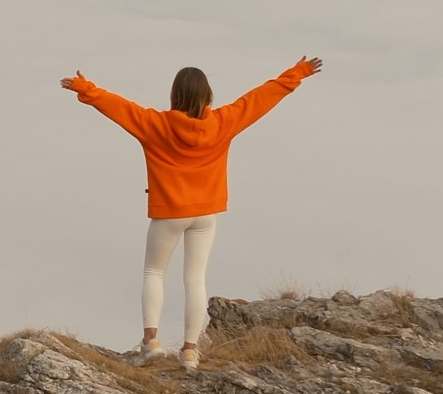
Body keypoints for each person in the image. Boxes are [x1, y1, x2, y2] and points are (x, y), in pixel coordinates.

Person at [61, 53, 322, 368]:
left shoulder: (155, 124)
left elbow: (118, 107)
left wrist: (84, 87)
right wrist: (298, 72)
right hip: (205, 213)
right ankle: (190, 351)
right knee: (195, 279)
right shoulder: (223, 123)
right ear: (207, 96)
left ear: (174, 96)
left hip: (169, 213)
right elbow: (259, 99)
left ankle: (151, 343)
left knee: (154, 273)